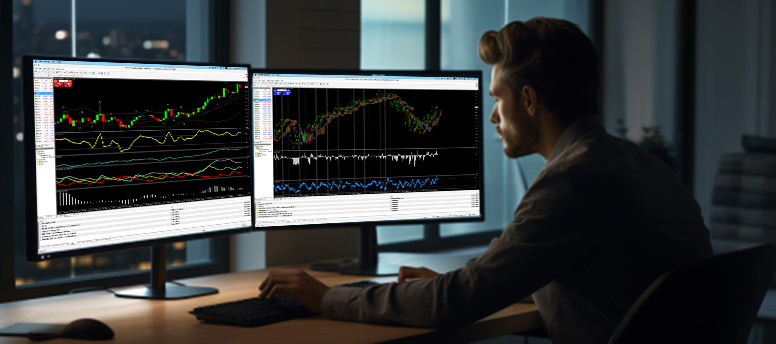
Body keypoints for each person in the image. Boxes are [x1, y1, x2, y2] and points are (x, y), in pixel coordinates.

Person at [258, 17, 713, 344]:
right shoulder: (634, 162)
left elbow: (455, 303)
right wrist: (465, 280)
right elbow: (526, 272)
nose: (492, 115)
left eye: (498, 98)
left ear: (529, 99)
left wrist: (328, 298)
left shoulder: (573, 181)